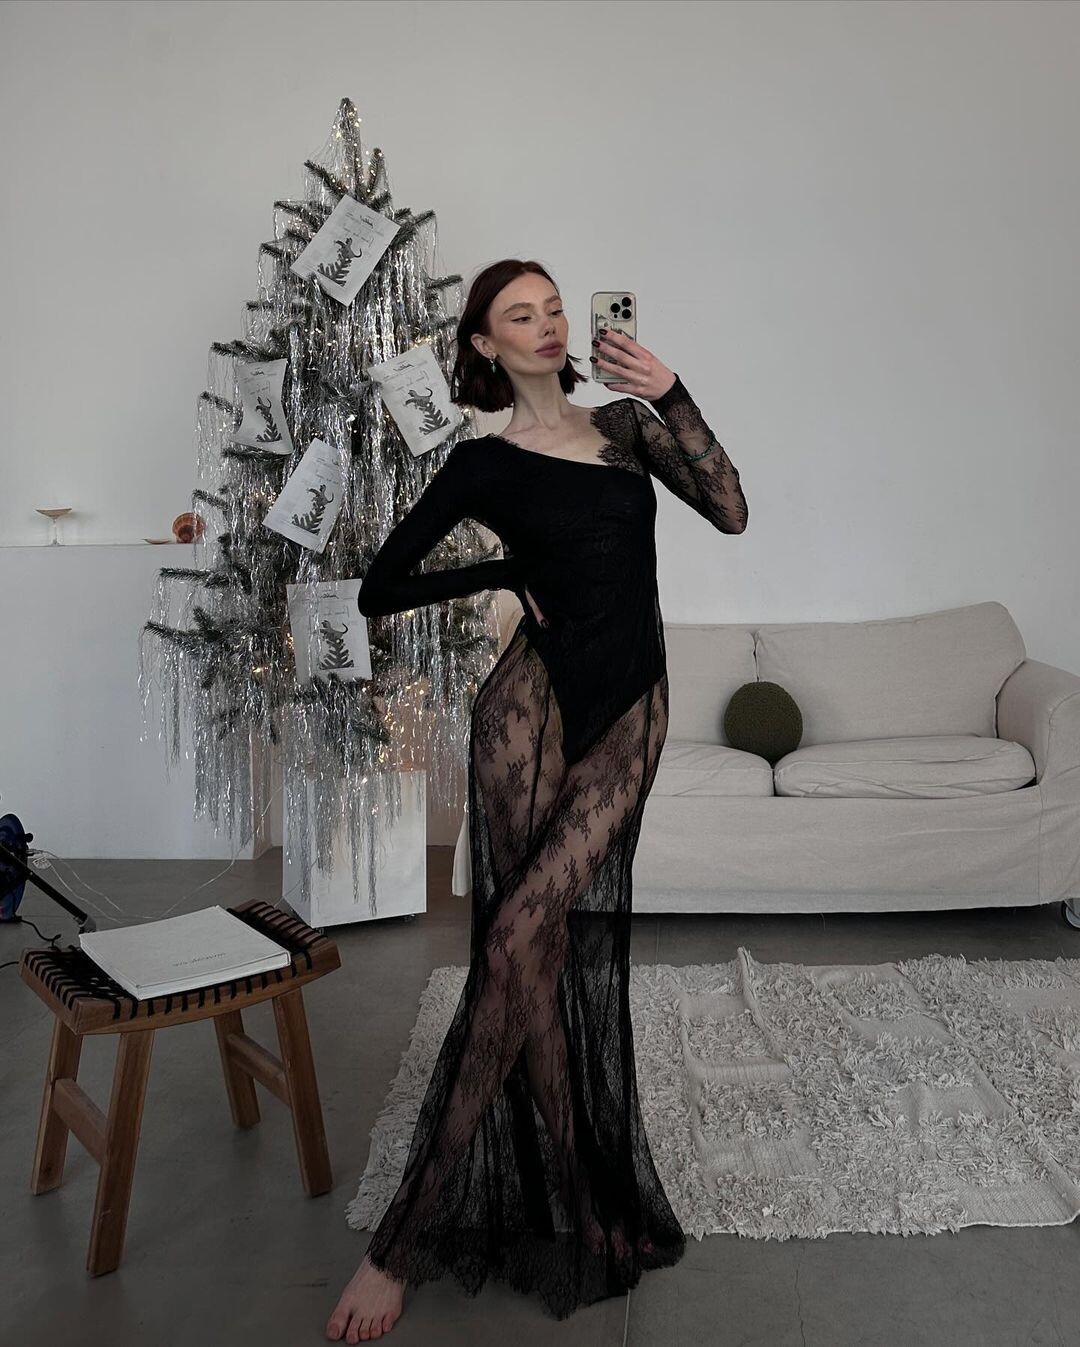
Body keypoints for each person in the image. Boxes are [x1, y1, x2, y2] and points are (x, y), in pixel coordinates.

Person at [326, 260, 748, 1342]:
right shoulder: (482, 461)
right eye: (522, 314)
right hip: (527, 710)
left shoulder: (626, 429)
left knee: (520, 937)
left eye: (555, 306)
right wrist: (502, 577)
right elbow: (379, 588)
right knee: (530, 950)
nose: (549, 324)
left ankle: (409, 1235)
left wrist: (670, 390)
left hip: (629, 703)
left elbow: (732, 510)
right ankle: (541, 1194)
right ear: (486, 344)